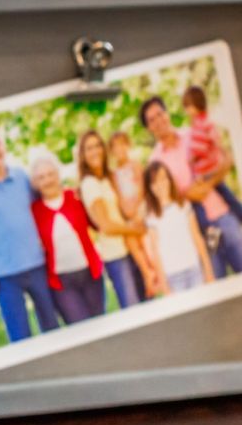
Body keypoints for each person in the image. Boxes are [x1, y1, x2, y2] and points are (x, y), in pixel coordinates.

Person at [0, 125, 60, 343]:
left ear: (4, 148)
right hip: (4, 276)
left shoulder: (22, 177)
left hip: (37, 266)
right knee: (20, 338)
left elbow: (45, 205)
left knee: (52, 328)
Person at [141, 95, 242, 278]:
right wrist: (192, 192)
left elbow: (225, 161)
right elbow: (170, 198)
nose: (158, 121)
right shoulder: (155, 161)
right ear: (148, 127)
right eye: (151, 120)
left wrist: (206, 185)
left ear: (167, 114)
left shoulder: (193, 135)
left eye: (159, 114)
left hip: (223, 215)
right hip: (198, 231)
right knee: (217, 284)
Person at [77, 130, 154, 304]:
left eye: (98, 145)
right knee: (133, 309)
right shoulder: (90, 184)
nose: (95, 151)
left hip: (131, 250)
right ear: (83, 155)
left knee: (149, 304)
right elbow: (106, 226)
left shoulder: (108, 177)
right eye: (89, 148)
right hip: (117, 257)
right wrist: (136, 229)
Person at [29, 153, 106, 324]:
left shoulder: (75, 197)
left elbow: (97, 223)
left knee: (101, 324)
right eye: (41, 177)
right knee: (79, 327)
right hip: (62, 283)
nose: (48, 180)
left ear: (58, 175)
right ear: (35, 183)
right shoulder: (34, 211)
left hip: (90, 274)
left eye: (51, 174)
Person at [143, 160, 214, 293]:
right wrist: (165, 286)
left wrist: (208, 271)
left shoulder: (183, 206)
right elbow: (156, 253)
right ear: (149, 187)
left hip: (194, 269)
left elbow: (197, 238)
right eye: (154, 182)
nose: (160, 184)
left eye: (163, 178)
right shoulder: (152, 218)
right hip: (173, 277)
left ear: (170, 180)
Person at [181, 85, 242, 227]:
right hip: (205, 170)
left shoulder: (203, 123)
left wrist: (193, 158)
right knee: (217, 197)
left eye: (188, 106)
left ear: (196, 104)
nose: (187, 111)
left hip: (208, 170)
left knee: (225, 196)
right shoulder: (199, 122)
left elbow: (204, 145)